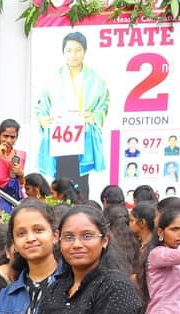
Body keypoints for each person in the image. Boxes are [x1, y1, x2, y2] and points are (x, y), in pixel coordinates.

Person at [35, 31, 111, 200]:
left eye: (78, 50)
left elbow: (103, 105)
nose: (73, 55)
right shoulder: (53, 79)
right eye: (69, 50)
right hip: (59, 138)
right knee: (61, 180)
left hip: (83, 137)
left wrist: (94, 116)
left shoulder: (96, 79)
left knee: (81, 181)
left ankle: (82, 209)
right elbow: (41, 107)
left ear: (85, 51)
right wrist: (43, 119)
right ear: (63, 52)